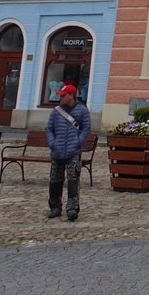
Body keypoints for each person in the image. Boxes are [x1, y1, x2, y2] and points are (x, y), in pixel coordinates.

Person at [46, 82, 91, 221]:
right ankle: (55, 207)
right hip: (57, 151)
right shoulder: (56, 111)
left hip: (73, 151)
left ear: (71, 95)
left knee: (73, 181)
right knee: (55, 180)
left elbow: (86, 128)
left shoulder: (82, 110)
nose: (61, 97)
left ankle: (72, 208)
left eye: (63, 95)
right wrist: (52, 143)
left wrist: (78, 141)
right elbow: (49, 129)